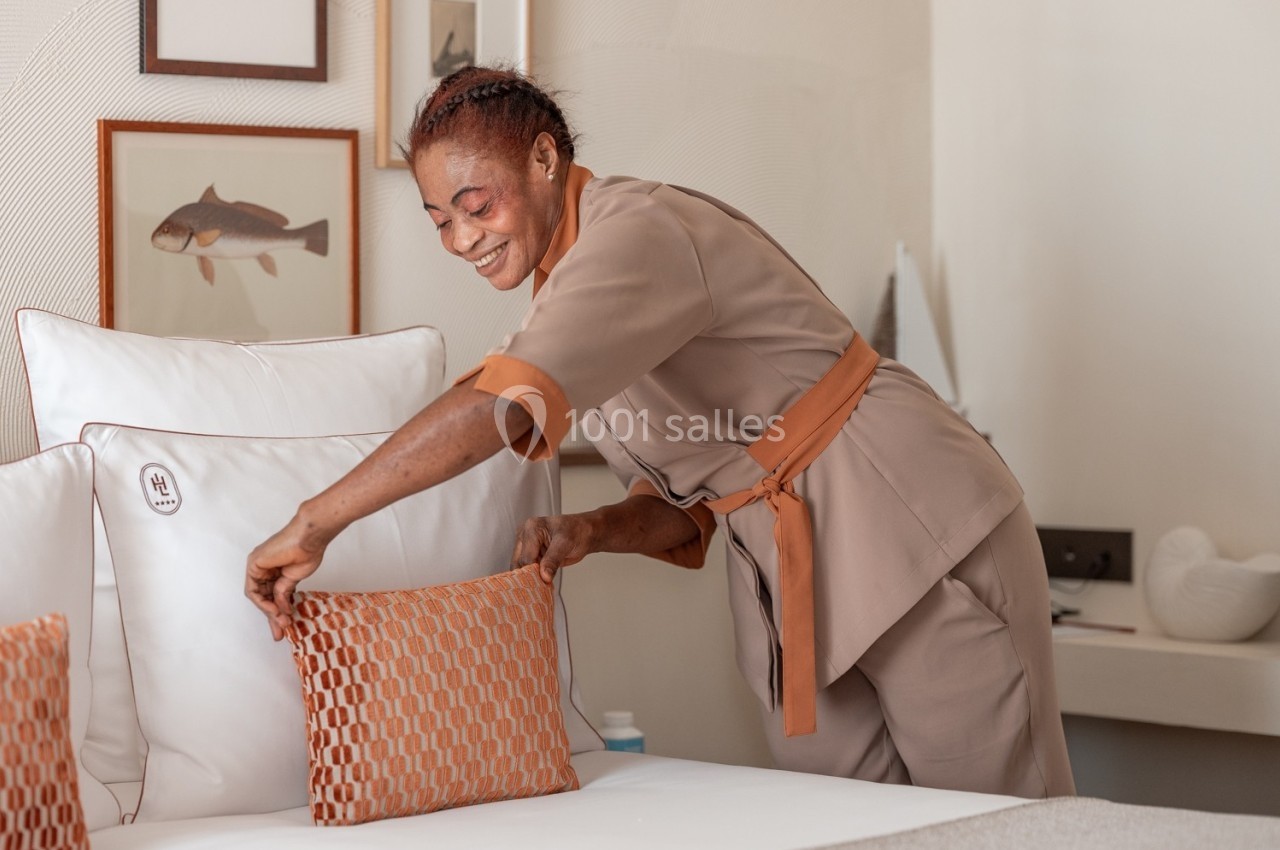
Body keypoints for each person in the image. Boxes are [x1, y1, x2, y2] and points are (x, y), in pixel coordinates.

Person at [245, 65, 1075, 798]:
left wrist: (317, 519)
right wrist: (591, 530)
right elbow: (690, 509)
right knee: (850, 821)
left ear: (543, 160)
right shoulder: (563, 304)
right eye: (440, 221)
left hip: (907, 517)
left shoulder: (637, 232)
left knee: (996, 820)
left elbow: (500, 405)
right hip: (789, 574)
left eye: (476, 206)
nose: (462, 239)